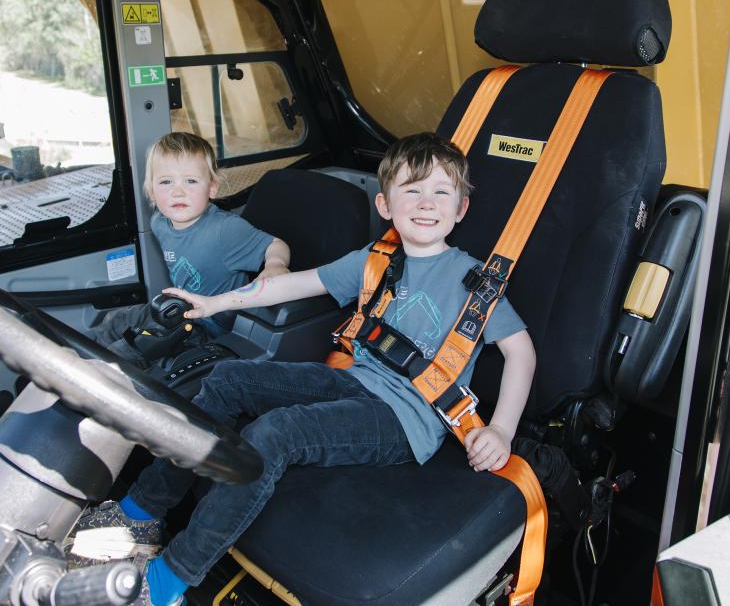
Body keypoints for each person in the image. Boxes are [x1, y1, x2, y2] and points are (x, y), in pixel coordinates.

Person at [73, 132, 537, 606]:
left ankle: (168, 581)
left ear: (460, 208)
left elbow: (521, 352)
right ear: (385, 204)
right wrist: (214, 303)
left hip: (409, 418)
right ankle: (141, 510)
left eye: (441, 192)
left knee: (276, 433)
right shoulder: (375, 261)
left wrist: (500, 430)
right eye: (411, 190)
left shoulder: (471, 279)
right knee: (228, 379)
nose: (425, 202)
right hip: (357, 380)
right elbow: (288, 286)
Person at [91, 132, 290, 362]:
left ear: (212, 188)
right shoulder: (159, 222)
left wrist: (275, 265)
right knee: (114, 321)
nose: (178, 191)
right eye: (166, 182)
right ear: (151, 190)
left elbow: (276, 244)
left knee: (127, 354)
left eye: (191, 181)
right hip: (181, 312)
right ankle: (87, 364)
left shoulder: (224, 230)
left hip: (214, 328)